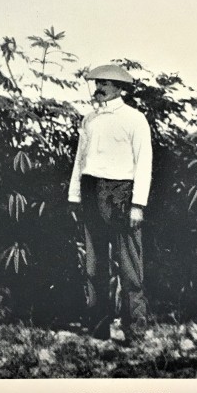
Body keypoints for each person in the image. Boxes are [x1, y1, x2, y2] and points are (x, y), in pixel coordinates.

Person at [68, 64, 153, 342]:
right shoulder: (89, 119)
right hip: (92, 191)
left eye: (105, 83)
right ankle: (98, 329)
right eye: (97, 82)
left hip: (122, 195)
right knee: (94, 267)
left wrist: (138, 204)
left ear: (119, 88)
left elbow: (144, 163)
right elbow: (81, 161)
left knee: (130, 269)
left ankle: (135, 331)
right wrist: (75, 196)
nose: (99, 87)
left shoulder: (134, 118)